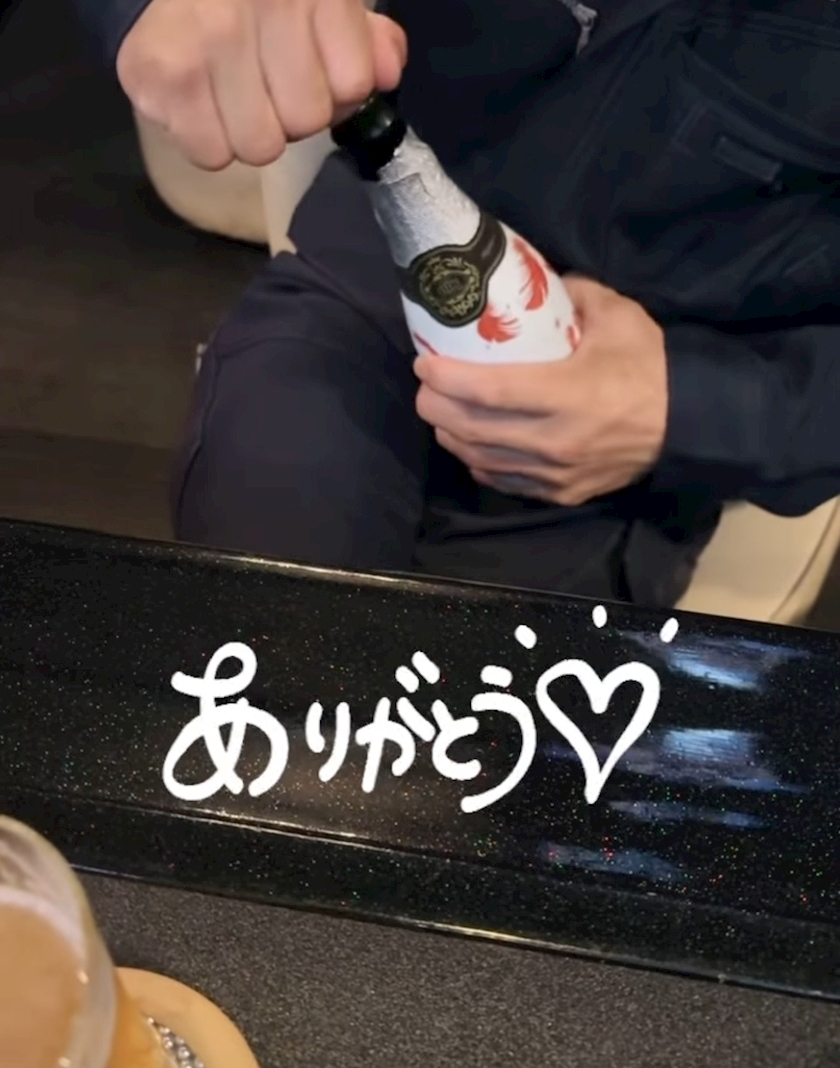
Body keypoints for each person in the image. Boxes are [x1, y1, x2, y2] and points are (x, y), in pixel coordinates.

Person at [73, 0, 840, 606]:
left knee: (477, 731)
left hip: (629, 415)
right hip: (374, 270)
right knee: (253, 624)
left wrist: (698, 407)